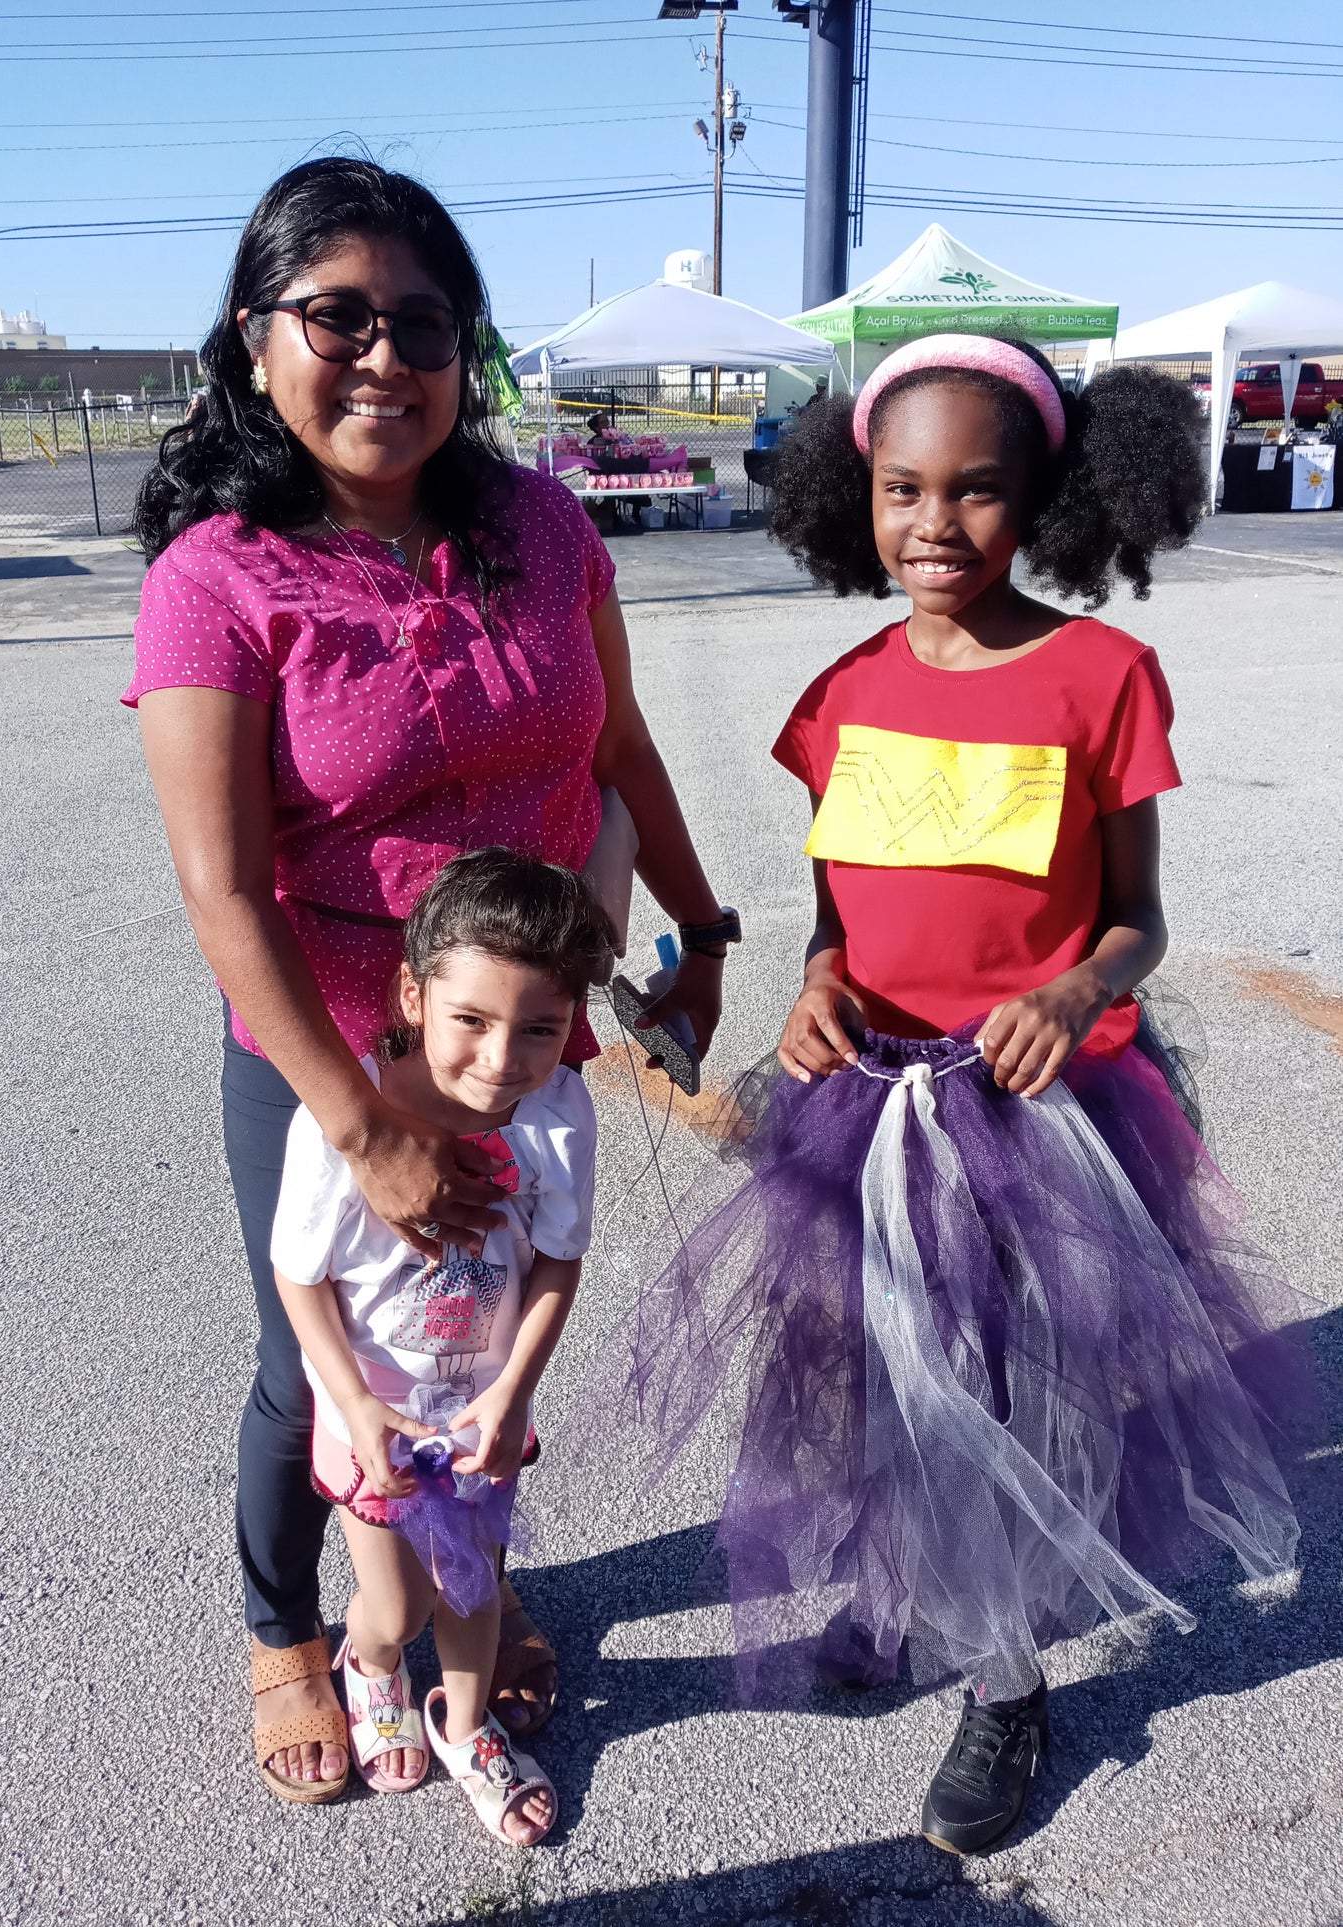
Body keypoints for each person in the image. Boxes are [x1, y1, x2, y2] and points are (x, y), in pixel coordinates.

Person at [573, 335, 1308, 1855]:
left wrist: (1076, 986)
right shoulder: (842, 690)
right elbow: (842, 909)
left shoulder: (1100, 678)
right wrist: (818, 980)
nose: (934, 523)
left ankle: (1004, 1673)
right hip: (872, 1100)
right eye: (901, 487)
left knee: (1012, 1389)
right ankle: (921, 1587)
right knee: (888, 1371)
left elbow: (1135, 917)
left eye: (977, 490)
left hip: (1037, 1108)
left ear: (1047, 491)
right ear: (856, 492)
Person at [125, 156, 735, 1803]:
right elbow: (220, 883)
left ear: (469, 353)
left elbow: (616, 745)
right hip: (331, 1046)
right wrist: (354, 1114)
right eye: (339, 316)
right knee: (306, 1351)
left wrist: (702, 923)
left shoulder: (538, 524)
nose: (385, 355)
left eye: (423, 322)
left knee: (474, 1336)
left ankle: (462, 1578)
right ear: (256, 339)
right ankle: (286, 1631)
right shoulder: (219, 579)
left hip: (518, 1039)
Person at [273, 850, 610, 1844]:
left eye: (540, 1027)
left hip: (480, 1416)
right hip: (372, 1421)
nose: (504, 1057)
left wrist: (512, 1390)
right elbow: (301, 1279)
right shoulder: (345, 1125)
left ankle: (463, 1727)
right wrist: (355, 1404)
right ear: (413, 995)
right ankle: (371, 1665)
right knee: (400, 1603)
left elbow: (556, 1262)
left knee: (473, 1587)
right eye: (471, 1019)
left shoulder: (558, 1119)